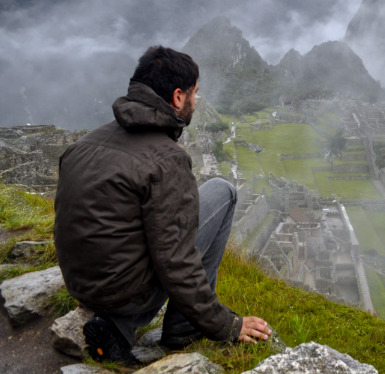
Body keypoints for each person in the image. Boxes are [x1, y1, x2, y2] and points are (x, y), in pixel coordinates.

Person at [54, 46, 271, 364]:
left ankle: (116, 326)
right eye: (195, 94)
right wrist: (227, 324)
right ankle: (184, 328)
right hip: (123, 291)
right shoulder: (166, 160)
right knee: (222, 192)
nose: (196, 101)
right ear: (178, 97)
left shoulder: (84, 144)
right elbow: (177, 262)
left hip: (81, 283)